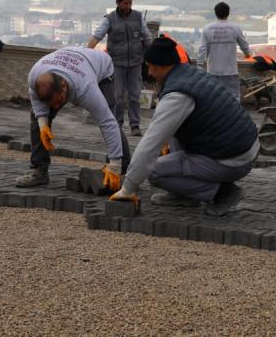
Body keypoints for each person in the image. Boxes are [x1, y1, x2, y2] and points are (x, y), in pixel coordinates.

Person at [108, 37, 258, 216]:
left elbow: (150, 144)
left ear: (161, 66)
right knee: (171, 139)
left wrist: (128, 188)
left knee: (154, 171)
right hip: (242, 146)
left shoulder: (178, 95)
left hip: (232, 158)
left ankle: (222, 193)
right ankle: (184, 195)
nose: (150, 73)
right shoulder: (189, 73)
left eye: (150, 67)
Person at [15, 46, 130, 188]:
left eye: (59, 101)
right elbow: (36, 100)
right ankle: (39, 170)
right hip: (72, 60)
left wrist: (115, 166)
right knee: (36, 117)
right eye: (52, 104)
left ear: (64, 86)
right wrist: (43, 124)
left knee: (110, 119)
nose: (56, 107)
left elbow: (107, 123)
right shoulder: (34, 76)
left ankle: (121, 168)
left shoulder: (86, 88)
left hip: (102, 69)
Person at [88, 0, 153, 136]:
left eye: (130, 3)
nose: (128, 6)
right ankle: (117, 125)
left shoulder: (138, 17)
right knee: (117, 97)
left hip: (135, 63)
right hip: (116, 64)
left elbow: (147, 37)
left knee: (134, 96)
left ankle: (135, 125)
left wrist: (153, 53)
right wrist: (86, 53)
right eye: (125, 3)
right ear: (118, 3)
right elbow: (97, 36)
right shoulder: (110, 19)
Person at [197, 2, 252, 101]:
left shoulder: (207, 29)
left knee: (213, 97)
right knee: (233, 98)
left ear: (215, 13)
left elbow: (202, 49)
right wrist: (247, 55)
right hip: (230, 71)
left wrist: (199, 65)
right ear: (228, 13)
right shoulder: (235, 28)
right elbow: (244, 45)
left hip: (213, 71)